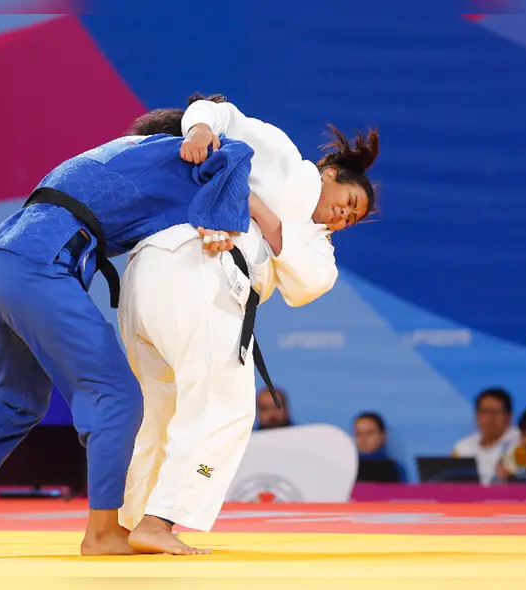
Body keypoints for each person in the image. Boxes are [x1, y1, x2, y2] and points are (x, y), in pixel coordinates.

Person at [0, 132, 255, 556]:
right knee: (116, 396)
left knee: (18, 398)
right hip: (39, 268)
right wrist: (229, 220)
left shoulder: (120, 151)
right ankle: (103, 533)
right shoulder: (182, 148)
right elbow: (238, 151)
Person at [117, 94, 379, 553]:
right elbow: (219, 112)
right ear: (331, 174)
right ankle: (159, 521)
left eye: (352, 219)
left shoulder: (315, 241)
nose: (344, 216)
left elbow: (313, 284)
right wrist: (199, 130)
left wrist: (258, 207)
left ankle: (129, 522)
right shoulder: (284, 159)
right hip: (195, 275)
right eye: (349, 201)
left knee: (163, 414)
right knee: (226, 408)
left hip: (153, 277)